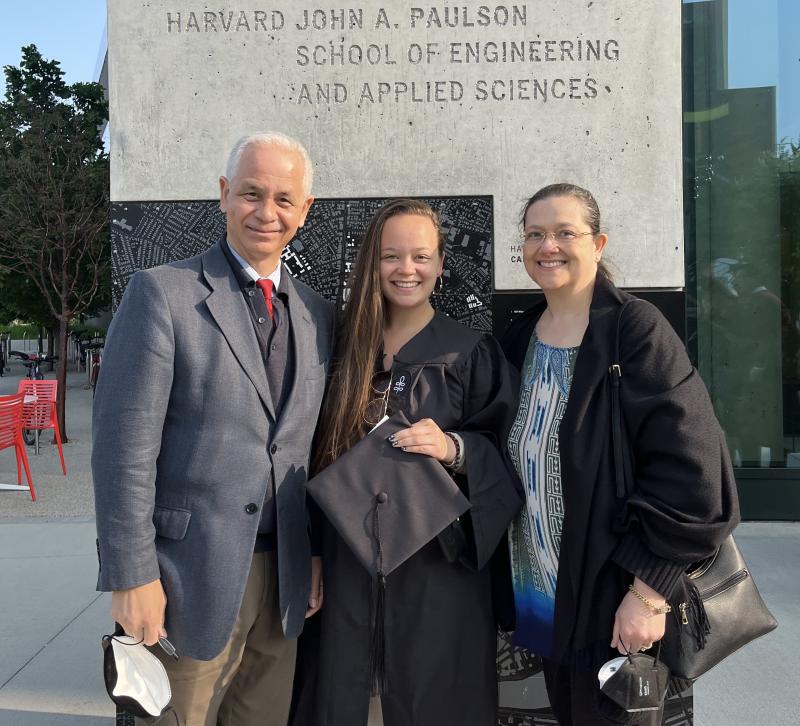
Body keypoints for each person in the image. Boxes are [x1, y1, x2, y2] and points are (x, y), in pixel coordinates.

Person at [92, 132, 334, 726]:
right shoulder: (162, 294)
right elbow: (123, 451)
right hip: (183, 578)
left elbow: (306, 446)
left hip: (285, 582)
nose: (266, 211)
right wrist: (132, 574)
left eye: (283, 199)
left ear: (305, 211)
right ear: (224, 195)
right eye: (251, 193)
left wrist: (315, 555)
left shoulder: (318, 312)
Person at [500, 183, 740, 725]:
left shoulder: (635, 331)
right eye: (535, 234)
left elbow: (694, 470)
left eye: (565, 232)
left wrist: (649, 591)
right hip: (546, 592)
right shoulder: (521, 338)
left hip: (614, 596)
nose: (548, 246)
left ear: (599, 242)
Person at [296, 199, 522, 726]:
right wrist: (309, 550)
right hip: (345, 555)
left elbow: (511, 454)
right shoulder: (338, 346)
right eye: (391, 256)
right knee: (336, 688)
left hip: (438, 561)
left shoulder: (469, 353)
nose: (406, 269)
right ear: (371, 262)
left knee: (437, 693)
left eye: (421, 256)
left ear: (441, 264)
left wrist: (455, 448)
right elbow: (299, 456)